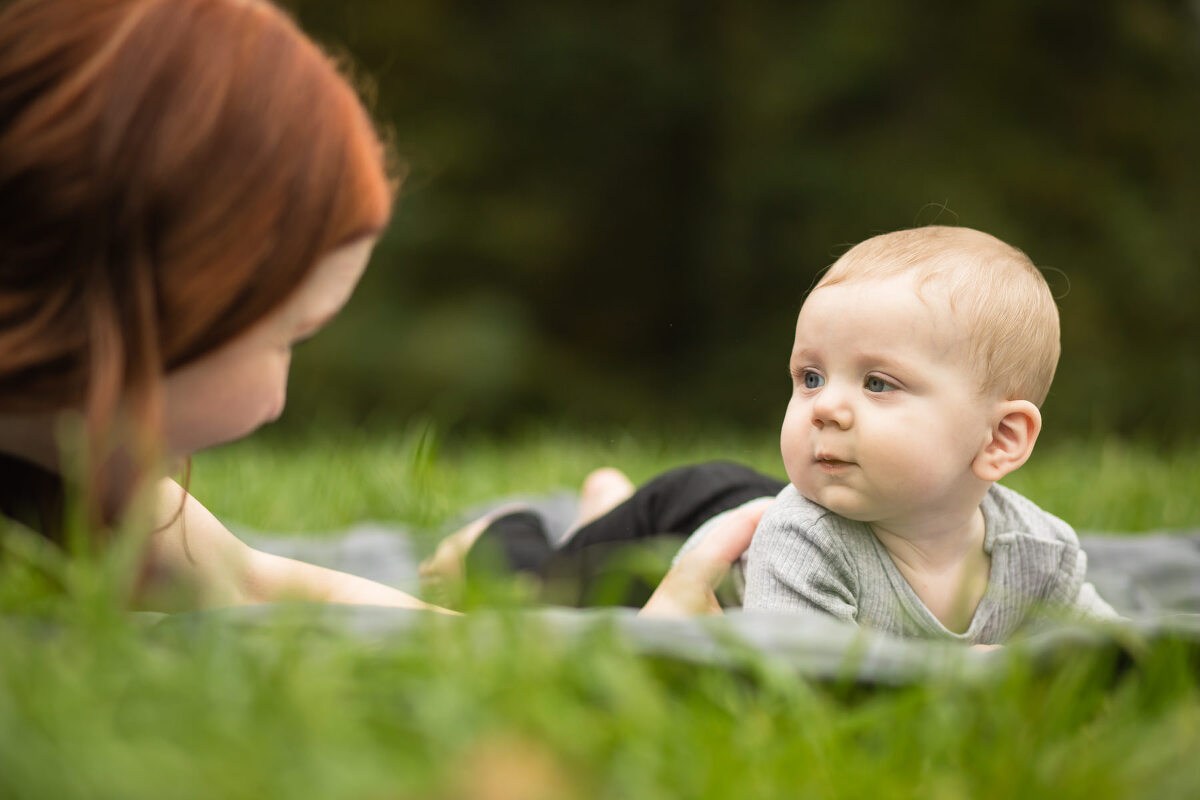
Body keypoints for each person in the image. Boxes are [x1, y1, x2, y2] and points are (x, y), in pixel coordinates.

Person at [0, 0, 742, 616]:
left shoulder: (63, 472)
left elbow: (252, 582)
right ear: (156, 300)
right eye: (287, 335)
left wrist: (623, 647)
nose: (278, 396)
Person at [428, 226, 1120, 644]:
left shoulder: (1038, 551)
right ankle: (496, 532)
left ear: (1000, 439)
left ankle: (604, 499)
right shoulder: (805, 540)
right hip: (687, 515)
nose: (825, 408)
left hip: (735, 513)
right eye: (811, 377)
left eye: (878, 384)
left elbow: (1110, 651)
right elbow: (802, 672)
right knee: (540, 588)